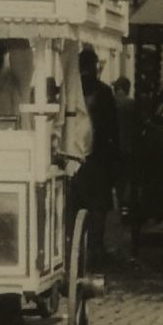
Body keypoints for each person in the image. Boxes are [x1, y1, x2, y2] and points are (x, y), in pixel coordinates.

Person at [73, 47, 119, 259]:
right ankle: (95, 248)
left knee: (77, 203)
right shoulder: (103, 91)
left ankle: (78, 248)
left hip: (77, 154)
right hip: (100, 158)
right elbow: (113, 128)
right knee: (98, 205)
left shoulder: (73, 89)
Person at [113, 75, 139, 219]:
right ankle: (126, 206)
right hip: (129, 147)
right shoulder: (131, 104)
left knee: (118, 180)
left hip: (114, 148)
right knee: (128, 177)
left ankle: (120, 204)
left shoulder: (110, 103)